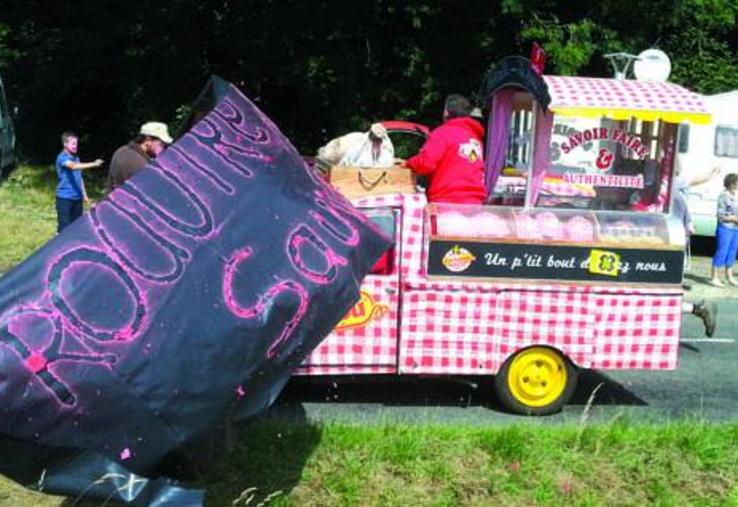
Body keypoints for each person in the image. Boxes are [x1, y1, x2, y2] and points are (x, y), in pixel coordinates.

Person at [401, 94, 486, 204]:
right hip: (475, 202)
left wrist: (409, 163)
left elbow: (425, 163)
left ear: (446, 112)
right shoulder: (475, 138)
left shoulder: (442, 133)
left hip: (447, 201)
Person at [54, 131, 104, 233]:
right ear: (65, 144)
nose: (75, 146)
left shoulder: (76, 157)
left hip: (77, 198)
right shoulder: (62, 157)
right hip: (64, 198)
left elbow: (79, 178)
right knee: (64, 229)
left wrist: (85, 196)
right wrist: (93, 164)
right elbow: (73, 166)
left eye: (76, 143)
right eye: (73, 143)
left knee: (76, 228)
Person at [107, 121, 173, 191]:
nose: (163, 148)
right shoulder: (140, 164)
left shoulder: (123, 150)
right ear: (148, 140)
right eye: (162, 144)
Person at [316, 123, 394, 168]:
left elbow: (386, 163)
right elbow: (350, 160)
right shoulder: (359, 144)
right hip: (338, 151)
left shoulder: (386, 147)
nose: (377, 142)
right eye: (375, 139)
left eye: (379, 139)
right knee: (330, 156)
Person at [710, 173, 738, 287]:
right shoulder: (723, 196)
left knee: (732, 252)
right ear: (731, 184)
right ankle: (714, 277)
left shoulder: (735, 195)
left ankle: (729, 276)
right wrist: (734, 218)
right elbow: (720, 215)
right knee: (722, 251)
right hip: (725, 227)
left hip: (735, 228)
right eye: (736, 183)